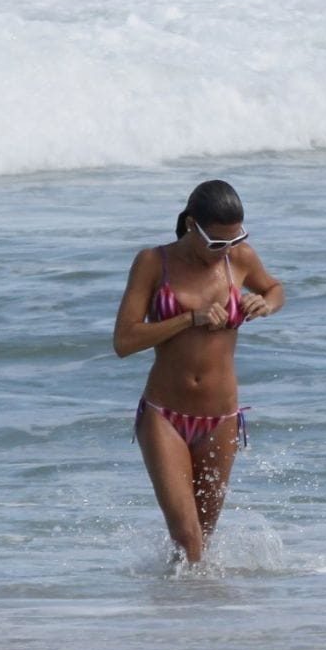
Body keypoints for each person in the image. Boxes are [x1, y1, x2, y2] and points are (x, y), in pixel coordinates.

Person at [114, 180, 284, 564]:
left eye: (234, 240)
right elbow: (124, 341)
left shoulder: (239, 259)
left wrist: (266, 303)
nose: (226, 250)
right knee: (188, 537)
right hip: (165, 415)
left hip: (221, 417)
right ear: (192, 225)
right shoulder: (153, 263)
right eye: (217, 243)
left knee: (200, 545)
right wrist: (190, 318)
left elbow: (275, 288)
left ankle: (189, 618)